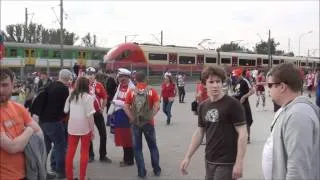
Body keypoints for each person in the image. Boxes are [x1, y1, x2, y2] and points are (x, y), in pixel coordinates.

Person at [180, 65, 248, 180]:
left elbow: (243, 133)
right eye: (211, 82)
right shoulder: (202, 106)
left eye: (218, 81)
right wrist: (187, 157)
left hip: (227, 162)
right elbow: (199, 132)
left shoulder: (233, 104)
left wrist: (239, 162)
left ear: (222, 83)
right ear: (204, 84)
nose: (215, 85)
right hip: (209, 159)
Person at [262, 63, 320, 180]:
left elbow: (298, 167)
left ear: (282, 87)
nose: (268, 89)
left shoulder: (298, 115)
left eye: (270, 85)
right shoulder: (288, 110)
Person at [0, 67, 43, 180]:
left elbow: (39, 133)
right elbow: (12, 147)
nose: (0, 90)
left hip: (27, 173)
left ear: (13, 84)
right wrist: (28, 130)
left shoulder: (18, 108)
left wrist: (19, 140)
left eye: (4, 85)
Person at [124, 71, 162, 178]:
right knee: (153, 147)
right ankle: (156, 169)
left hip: (136, 124)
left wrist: (132, 118)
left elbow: (125, 107)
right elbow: (157, 106)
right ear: (145, 79)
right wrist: (150, 116)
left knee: (137, 148)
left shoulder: (131, 91)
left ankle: (141, 172)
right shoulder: (152, 91)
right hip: (148, 123)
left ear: (135, 80)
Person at [39, 69, 73, 179]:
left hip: (43, 121)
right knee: (60, 146)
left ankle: (44, 171)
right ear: (68, 79)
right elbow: (65, 108)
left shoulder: (50, 85)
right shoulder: (64, 89)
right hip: (54, 121)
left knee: (46, 147)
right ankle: (60, 172)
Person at [64, 76, 95, 180]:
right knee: (84, 152)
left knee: (70, 152)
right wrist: (93, 130)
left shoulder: (71, 95)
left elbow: (65, 110)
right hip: (85, 128)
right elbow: (90, 116)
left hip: (72, 127)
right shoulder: (88, 97)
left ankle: (69, 177)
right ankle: (82, 177)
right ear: (87, 86)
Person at [86, 67, 112, 163]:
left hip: (97, 113)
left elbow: (105, 97)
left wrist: (102, 108)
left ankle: (103, 155)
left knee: (103, 134)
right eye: (88, 74)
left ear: (95, 75)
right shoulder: (83, 85)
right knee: (88, 135)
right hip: (88, 114)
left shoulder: (99, 85)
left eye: (92, 74)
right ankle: (90, 155)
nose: (90, 76)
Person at [111, 68, 135, 167]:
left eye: (123, 77)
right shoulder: (120, 86)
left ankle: (129, 160)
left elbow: (129, 103)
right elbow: (116, 97)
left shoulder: (132, 88)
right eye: (119, 77)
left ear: (128, 77)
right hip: (119, 115)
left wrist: (117, 102)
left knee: (128, 138)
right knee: (123, 138)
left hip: (127, 115)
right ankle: (126, 158)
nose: (120, 79)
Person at [234, 69, 255, 143]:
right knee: (238, 121)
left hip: (244, 104)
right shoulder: (237, 82)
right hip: (237, 104)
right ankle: (239, 137)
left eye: (236, 76)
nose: (235, 77)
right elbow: (237, 92)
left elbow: (252, 91)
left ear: (240, 74)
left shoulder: (245, 81)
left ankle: (248, 138)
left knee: (247, 121)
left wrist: (244, 96)